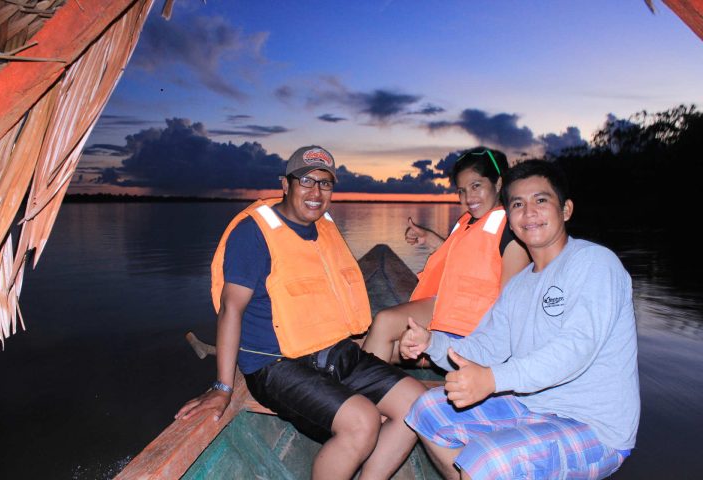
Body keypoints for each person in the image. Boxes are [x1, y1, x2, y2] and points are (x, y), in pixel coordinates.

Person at [175, 145, 426, 480]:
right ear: (285, 183)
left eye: (325, 183)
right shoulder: (254, 233)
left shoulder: (324, 229)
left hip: (329, 350)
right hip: (275, 364)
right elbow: (231, 309)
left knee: (419, 404)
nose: (316, 192)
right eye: (306, 180)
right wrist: (223, 387)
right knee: (362, 422)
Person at [400, 159, 640, 480]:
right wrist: (433, 343)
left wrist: (492, 380)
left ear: (565, 209)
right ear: (510, 221)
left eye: (541, 200)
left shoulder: (594, 263)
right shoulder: (519, 285)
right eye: (518, 204)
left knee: (487, 460)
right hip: (531, 405)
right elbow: (486, 348)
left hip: (594, 425)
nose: (529, 213)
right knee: (427, 410)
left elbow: (575, 350)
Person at [362, 147, 530, 363]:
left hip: (472, 331)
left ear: (498, 183)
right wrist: (431, 238)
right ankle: (365, 387)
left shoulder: (511, 231)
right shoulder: (469, 221)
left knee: (384, 326)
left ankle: (359, 388)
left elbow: (510, 304)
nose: (468, 197)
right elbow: (468, 260)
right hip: (448, 310)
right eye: (461, 190)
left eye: (476, 186)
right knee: (376, 338)